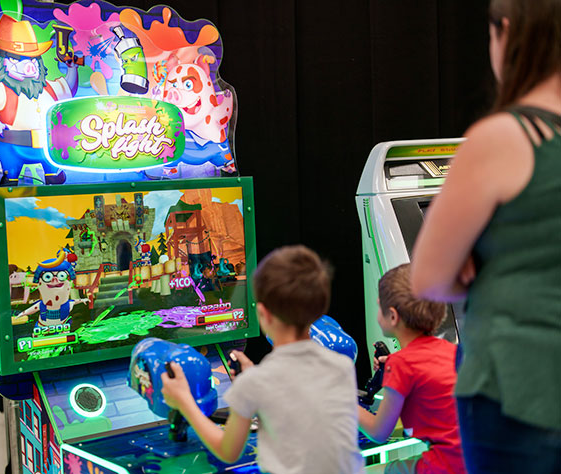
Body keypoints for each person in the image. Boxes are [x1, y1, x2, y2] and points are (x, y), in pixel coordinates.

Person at [409, 0, 561, 472]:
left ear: (507, 32)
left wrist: (473, 262)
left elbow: (428, 278)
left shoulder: (505, 136)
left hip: (516, 386)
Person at [161, 245, 364, 474]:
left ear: (263, 314)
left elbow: (228, 451)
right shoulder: (341, 366)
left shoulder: (256, 383)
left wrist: (184, 401)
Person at [358, 264, 465, 473]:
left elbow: (379, 432)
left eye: (379, 306)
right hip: (475, 459)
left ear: (392, 316)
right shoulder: (452, 351)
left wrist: (342, 400)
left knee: (379, 470)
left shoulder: (401, 364)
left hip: (449, 464)